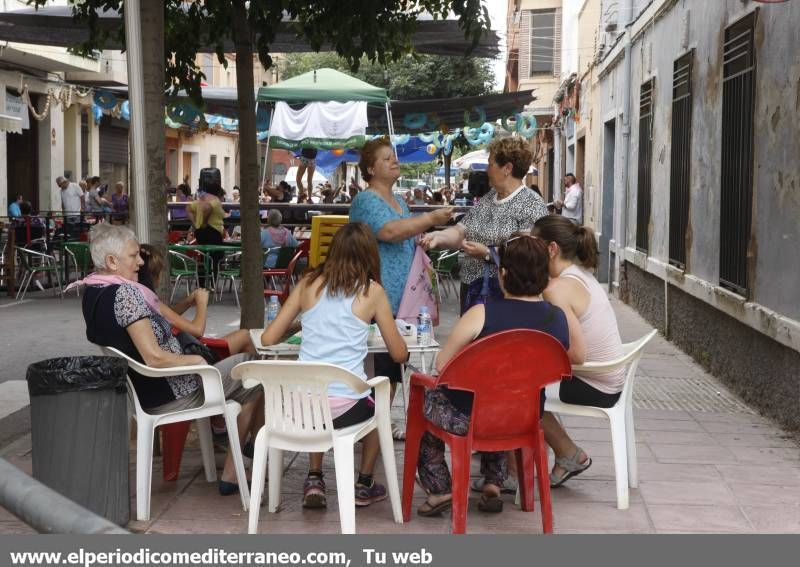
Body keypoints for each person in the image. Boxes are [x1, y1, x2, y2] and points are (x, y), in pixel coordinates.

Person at [77, 224, 263, 495]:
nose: (140, 262)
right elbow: (154, 359)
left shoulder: (92, 291)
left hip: (145, 392)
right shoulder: (126, 294)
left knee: (246, 371)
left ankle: (235, 450)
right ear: (112, 261)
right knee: (256, 369)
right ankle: (239, 464)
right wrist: (196, 361)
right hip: (171, 393)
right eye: (133, 256)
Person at [415, 234, 573, 517]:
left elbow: (442, 364)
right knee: (499, 399)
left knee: (429, 402)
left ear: (502, 274)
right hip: (525, 417)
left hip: (471, 418)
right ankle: (492, 484)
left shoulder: (481, 313)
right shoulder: (557, 318)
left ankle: (440, 489)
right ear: (544, 275)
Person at [260, 222, 409, 509]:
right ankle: (364, 482)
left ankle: (314, 477)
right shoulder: (372, 291)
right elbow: (399, 354)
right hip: (347, 411)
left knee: (317, 391)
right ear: (369, 255)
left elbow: (268, 338)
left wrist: (302, 323)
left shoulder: (307, 284)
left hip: (299, 410)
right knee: (382, 395)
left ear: (333, 251)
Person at [349, 136, 453, 440]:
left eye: (394, 157)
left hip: (400, 298)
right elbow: (389, 231)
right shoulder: (367, 199)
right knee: (375, 364)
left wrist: (421, 237)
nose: (394, 161)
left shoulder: (400, 201)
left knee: (391, 367)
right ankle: (365, 423)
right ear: (370, 169)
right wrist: (429, 219)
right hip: (375, 294)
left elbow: (403, 233)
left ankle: (376, 421)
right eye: (386, 158)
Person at [533, 215, 624, 487]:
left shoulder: (558, 288)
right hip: (610, 378)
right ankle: (566, 454)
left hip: (596, 383)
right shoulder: (580, 274)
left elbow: (576, 355)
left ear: (551, 249)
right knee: (527, 381)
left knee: (519, 389)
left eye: (533, 244)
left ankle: (563, 455)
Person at [420, 136, 548, 314]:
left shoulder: (532, 204)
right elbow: (461, 230)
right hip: (472, 289)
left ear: (507, 168)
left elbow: (531, 258)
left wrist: (488, 253)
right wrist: (437, 237)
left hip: (507, 296)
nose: (487, 170)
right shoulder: (489, 198)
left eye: (490, 164)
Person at [137, 244, 254, 355]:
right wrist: (202, 303)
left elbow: (167, 314)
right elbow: (197, 331)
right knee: (245, 336)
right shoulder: (151, 301)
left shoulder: (141, 298)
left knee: (243, 336)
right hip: (192, 357)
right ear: (155, 275)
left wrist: (187, 302)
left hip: (182, 350)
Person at [187, 182, 228, 288]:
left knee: (203, 257)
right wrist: (205, 221)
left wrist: (196, 223)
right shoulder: (215, 200)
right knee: (216, 257)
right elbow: (208, 208)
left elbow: (188, 209)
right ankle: (213, 283)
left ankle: (201, 284)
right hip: (212, 231)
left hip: (201, 232)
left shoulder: (201, 200)